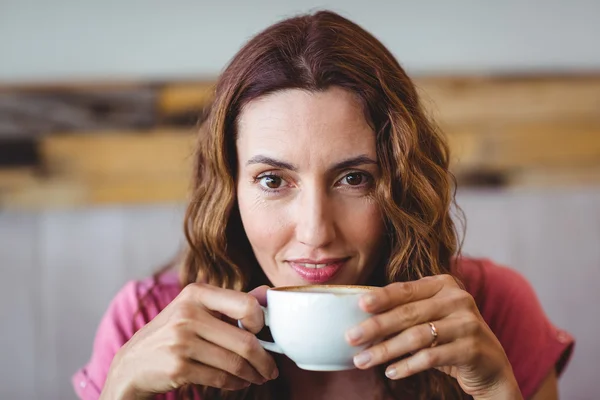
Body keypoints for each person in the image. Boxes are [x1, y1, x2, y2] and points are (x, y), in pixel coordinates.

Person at [73, 10, 573, 400]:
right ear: (229, 189)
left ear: (400, 184)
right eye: (273, 180)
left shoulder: (490, 312)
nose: (315, 232)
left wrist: (497, 391)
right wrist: (121, 389)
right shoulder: (144, 320)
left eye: (354, 178)